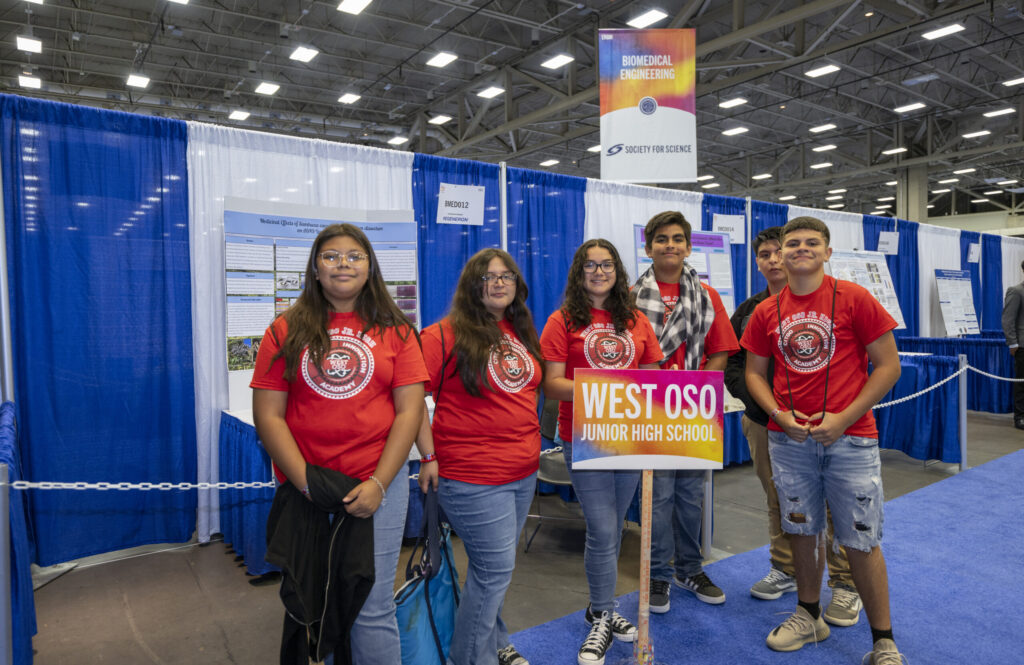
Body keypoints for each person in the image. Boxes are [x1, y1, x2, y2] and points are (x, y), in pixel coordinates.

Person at [251, 223, 427, 665]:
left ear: (370, 269)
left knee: (370, 607)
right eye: (331, 256)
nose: (343, 264)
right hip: (307, 485)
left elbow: (409, 411)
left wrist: (380, 485)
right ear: (315, 269)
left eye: (355, 256)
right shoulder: (284, 329)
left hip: (378, 485)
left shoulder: (399, 331)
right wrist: (307, 484)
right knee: (314, 599)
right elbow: (268, 415)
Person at [741, 217, 903, 664]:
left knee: (861, 539)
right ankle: (809, 615)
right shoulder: (766, 311)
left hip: (850, 439)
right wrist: (778, 414)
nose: (800, 249)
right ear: (781, 252)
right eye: (792, 243)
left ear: (828, 252)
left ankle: (884, 641)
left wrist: (844, 418)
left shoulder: (855, 298)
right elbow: (753, 373)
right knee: (800, 528)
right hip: (788, 440)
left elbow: (888, 366)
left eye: (812, 242)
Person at [725, 226, 861, 626]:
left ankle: (845, 582)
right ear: (760, 261)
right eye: (764, 254)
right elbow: (738, 366)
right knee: (780, 501)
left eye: (775, 252)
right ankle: (785, 569)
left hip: (827, 424)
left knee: (838, 507)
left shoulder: (838, 300)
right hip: (766, 423)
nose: (772, 259)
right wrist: (764, 406)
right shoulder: (752, 310)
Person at [415, 248, 543, 665]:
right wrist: (427, 455)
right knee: (492, 573)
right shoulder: (441, 335)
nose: (500, 282)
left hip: (523, 471)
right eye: (490, 276)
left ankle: (495, 643)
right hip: (471, 476)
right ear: (473, 284)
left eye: (507, 275)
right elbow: (411, 400)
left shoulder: (519, 329)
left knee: (495, 574)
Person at [540, 239, 664, 665]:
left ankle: (600, 606)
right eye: (590, 265)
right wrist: (608, 389)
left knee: (617, 528)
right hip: (585, 433)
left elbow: (652, 379)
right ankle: (603, 615)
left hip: (628, 436)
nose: (599, 271)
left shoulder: (634, 319)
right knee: (604, 529)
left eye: (606, 264)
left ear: (617, 270)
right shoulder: (562, 321)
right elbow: (551, 384)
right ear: (579, 272)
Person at [630, 211, 739, 612]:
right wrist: (660, 393)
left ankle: (689, 569)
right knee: (656, 498)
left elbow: (721, 351)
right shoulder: (630, 297)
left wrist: (693, 392)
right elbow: (628, 355)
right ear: (648, 247)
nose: (670, 245)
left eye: (677, 238)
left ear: (689, 246)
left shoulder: (707, 296)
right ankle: (658, 574)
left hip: (694, 408)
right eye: (661, 239)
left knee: (692, 496)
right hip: (651, 408)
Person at [1001, 260, 1024, 430]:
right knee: (1021, 383)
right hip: (1022, 346)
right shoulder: (1016, 291)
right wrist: (1013, 343)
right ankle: (1020, 417)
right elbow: (1007, 320)